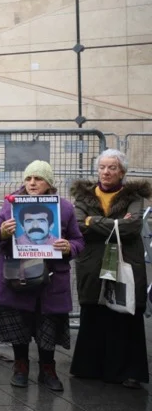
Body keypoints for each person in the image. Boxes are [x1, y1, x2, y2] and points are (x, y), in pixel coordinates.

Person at [0, 160, 84, 391]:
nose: (32, 183)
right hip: (19, 277)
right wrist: (2, 231)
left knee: (47, 326)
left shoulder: (65, 208)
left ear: (48, 182)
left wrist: (68, 246)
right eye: (28, 178)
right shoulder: (11, 205)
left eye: (38, 179)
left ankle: (47, 370)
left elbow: (79, 241)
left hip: (50, 280)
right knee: (18, 326)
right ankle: (20, 367)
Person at [70, 150, 149, 388]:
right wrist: (115, 223)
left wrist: (92, 221)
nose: (106, 172)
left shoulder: (134, 196)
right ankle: (89, 368)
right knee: (94, 313)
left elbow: (132, 227)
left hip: (125, 261)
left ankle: (127, 371)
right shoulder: (84, 196)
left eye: (112, 167)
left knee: (124, 312)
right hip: (93, 263)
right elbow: (77, 223)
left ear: (122, 172)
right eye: (103, 167)